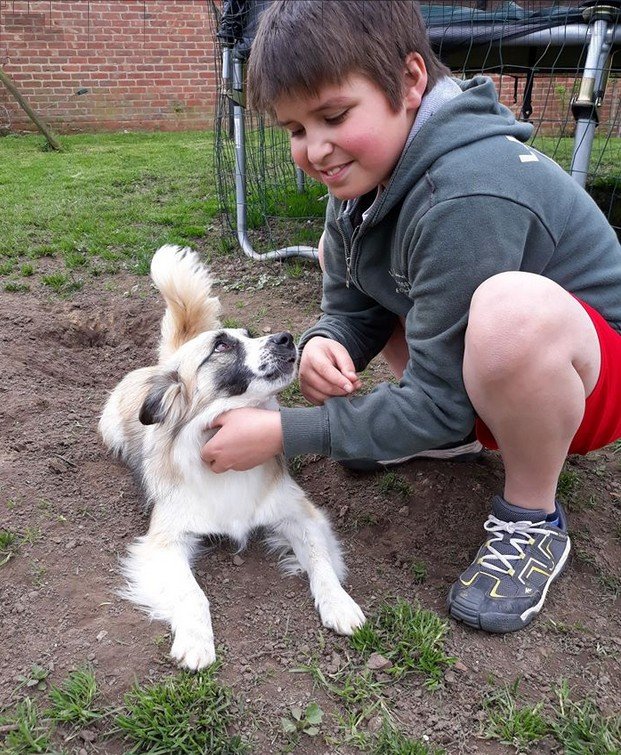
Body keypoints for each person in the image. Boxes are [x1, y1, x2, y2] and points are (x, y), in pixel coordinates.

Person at [202, 0, 621, 633]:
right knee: (354, 258)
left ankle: (531, 517)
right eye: (294, 129)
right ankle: (450, 443)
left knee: (509, 314)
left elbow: (442, 396)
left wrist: (285, 432)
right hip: (488, 380)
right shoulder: (363, 178)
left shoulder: (467, 192)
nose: (315, 149)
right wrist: (325, 340)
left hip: (588, 388)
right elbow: (350, 303)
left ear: (410, 81)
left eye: (334, 116)